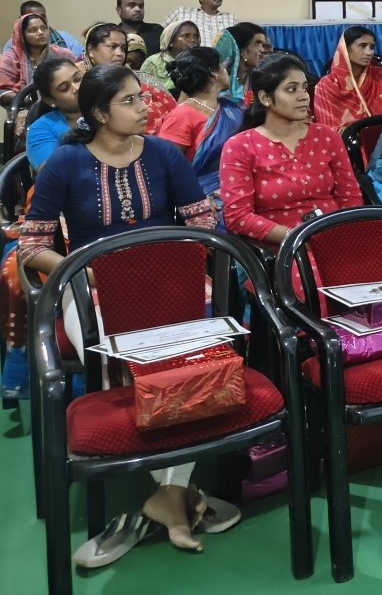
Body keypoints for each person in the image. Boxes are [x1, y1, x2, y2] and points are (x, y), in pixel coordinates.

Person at [20, 64, 227, 561]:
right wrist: (90, 271)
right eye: (131, 101)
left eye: (142, 97)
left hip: (165, 281)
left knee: (194, 359)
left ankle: (167, 497)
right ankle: (177, 494)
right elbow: (33, 247)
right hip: (90, 287)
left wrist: (175, 267)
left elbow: (202, 225)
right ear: (98, 113)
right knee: (120, 356)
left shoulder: (161, 154)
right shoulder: (65, 163)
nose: (146, 108)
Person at [220, 54, 363, 250]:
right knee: (309, 277)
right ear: (265, 98)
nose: (303, 96)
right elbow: (238, 217)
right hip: (280, 247)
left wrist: (339, 236)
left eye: (304, 88)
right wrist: (298, 237)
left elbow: (351, 197)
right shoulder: (240, 146)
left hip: (335, 237)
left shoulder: (327, 136)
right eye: (291, 89)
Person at [80, 23, 177, 135]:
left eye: (123, 48)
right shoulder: (79, 85)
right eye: (112, 47)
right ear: (91, 50)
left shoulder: (142, 79)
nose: (120, 53)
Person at [159, 48, 238, 183]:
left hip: (238, 187)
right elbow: (165, 166)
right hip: (201, 195)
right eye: (221, 65)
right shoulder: (182, 116)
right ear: (213, 72)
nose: (226, 70)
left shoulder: (230, 108)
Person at [312, 26, 382, 131]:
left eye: (372, 47)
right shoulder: (326, 85)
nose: (369, 52)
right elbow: (327, 130)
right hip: (342, 144)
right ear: (345, 48)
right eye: (362, 46)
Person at [0, 12, 76, 104]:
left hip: (63, 104)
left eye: (43, 28)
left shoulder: (62, 54)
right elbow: (3, 93)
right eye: (33, 30)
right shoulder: (9, 59)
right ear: (22, 35)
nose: (40, 33)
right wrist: (29, 99)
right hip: (23, 109)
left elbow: (75, 81)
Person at [24, 57, 82, 171]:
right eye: (64, 88)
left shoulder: (107, 110)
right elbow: (52, 177)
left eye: (78, 78)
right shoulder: (41, 129)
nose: (77, 88)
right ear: (50, 100)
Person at [162, 0, 237, 46]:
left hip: (220, 61)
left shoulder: (230, 18)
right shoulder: (182, 12)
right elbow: (159, 32)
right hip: (188, 59)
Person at [214, 22, 272, 104]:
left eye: (263, 45)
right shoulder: (220, 84)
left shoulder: (259, 82)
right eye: (258, 43)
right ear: (243, 52)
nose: (262, 50)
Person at [2, 0, 83, 57]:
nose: (39, 19)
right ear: (22, 20)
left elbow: (80, 63)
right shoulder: (12, 45)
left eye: (42, 16)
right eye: (34, 16)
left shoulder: (65, 38)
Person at [140, 20, 200, 93]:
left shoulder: (200, 62)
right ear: (170, 41)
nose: (193, 40)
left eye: (196, 36)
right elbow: (142, 91)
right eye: (186, 36)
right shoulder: (153, 62)